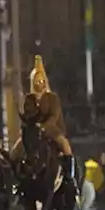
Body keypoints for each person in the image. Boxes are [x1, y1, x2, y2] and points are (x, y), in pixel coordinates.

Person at [21, 55, 76, 196]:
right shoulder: (29, 99)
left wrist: (44, 126)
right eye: (36, 81)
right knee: (17, 151)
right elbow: (28, 113)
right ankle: (19, 182)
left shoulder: (52, 98)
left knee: (65, 146)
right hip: (34, 131)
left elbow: (54, 115)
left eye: (41, 80)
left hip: (52, 130)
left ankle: (70, 177)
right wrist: (34, 124)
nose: (39, 83)